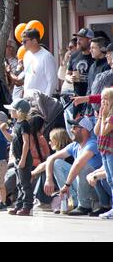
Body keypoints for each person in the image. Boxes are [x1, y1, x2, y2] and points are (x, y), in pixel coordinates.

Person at [44, 116, 102, 215]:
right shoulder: (74, 145)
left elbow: (79, 163)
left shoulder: (92, 143)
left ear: (84, 130)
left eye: (74, 127)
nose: (71, 130)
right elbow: (50, 159)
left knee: (82, 166)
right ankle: (75, 202)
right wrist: (48, 179)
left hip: (97, 187)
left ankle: (85, 205)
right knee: (57, 163)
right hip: (84, 185)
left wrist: (67, 185)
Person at [1, 99, 33, 216]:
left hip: (22, 158)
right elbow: (12, 140)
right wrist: (4, 131)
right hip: (17, 158)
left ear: (19, 111)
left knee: (25, 184)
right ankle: (19, 205)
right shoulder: (17, 124)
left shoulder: (24, 125)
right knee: (19, 184)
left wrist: (23, 159)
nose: (10, 112)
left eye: (12, 110)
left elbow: (26, 143)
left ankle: (27, 206)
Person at [93, 87, 113, 218]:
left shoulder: (111, 117)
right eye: (102, 100)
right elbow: (96, 131)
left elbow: (103, 132)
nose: (103, 102)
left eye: (106, 99)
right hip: (104, 151)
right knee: (110, 180)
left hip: (111, 151)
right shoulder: (104, 115)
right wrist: (100, 116)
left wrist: (104, 115)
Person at [66, 28, 95, 116]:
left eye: (81, 39)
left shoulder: (95, 56)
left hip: (91, 101)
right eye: (78, 39)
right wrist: (70, 78)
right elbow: (67, 74)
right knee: (76, 127)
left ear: (89, 40)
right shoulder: (74, 56)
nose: (78, 42)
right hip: (77, 99)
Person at [22, 28, 58, 96]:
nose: (22, 43)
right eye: (22, 41)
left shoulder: (46, 56)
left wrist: (45, 100)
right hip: (28, 99)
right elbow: (27, 76)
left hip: (42, 100)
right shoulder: (26, 55)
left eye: (25, 41)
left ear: (34, 41)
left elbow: (52, 81)